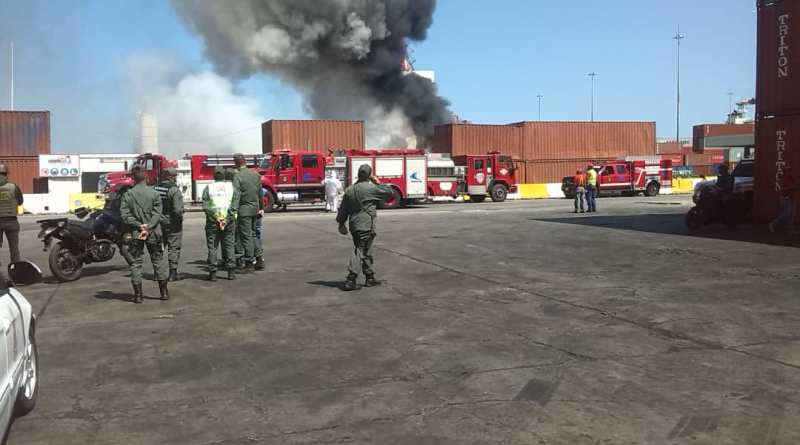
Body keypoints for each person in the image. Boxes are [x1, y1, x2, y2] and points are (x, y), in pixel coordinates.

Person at [336, 164, 394, 291]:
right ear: (369, 175)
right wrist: (378, 182)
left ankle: (369, 277)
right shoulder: (370, 188)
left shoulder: (350, 190)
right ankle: (351, 279)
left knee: (366, 250)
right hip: (366, 225)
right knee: (360, 250)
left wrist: (341, 224)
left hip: (354, 224)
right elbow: (390, 193)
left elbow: (343, 210)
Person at [120, 167, 169, 303]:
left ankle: (138, 296)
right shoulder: (154, 194)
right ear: (146, 178)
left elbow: (125, 215)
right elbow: (158, 213)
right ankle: (164, 293)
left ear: (133, 178)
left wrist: (138, 225)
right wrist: (149, 225)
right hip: (153, 232)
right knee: (158, 260)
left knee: (136, 263)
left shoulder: (128, 195)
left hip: (136, 233)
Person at [203, 167, 239, 281]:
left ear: (214, 176)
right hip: (229, 221)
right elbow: (234, 205)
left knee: (212, 247)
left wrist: (216, 217)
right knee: (229, 245)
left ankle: (213, 273)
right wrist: (227, 218)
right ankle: (231, 272)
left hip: (213, 221)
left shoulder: (208, 188)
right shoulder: (232, 187)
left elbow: (206, 206)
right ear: (224, 176)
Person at [232, 154, 265, 272]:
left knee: (246, 236)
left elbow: (236, 195)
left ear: (236, 163)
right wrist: (261, 207)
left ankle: (249, 262)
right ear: (245, 162)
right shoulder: (255, 174)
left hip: (244, 210)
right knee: (254, 235)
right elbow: (260, 193)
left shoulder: (238, 176)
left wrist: (234, 210)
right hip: (255, 209)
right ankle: (260, 260)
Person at [154, 167, 184, 281]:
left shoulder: (155, 188)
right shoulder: (174, 190)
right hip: (172, 222)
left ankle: (157, 274)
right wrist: (180, 218)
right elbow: (177, 210)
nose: (175, 178)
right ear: (171, 176)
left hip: (158, 222)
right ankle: (172, 274)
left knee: (159, 248)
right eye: (175, 176)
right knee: (174, 247)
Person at [0, 164, 24, 265]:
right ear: (6, 174)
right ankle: (16, 271)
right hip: (12, 221)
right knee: (14, 249)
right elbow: (20, 202)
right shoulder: (13, 186)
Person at [769, 165, 798, 234]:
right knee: (786, 214)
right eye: (788, 170)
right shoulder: (783, 179)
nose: (789, 172)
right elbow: (781, 189)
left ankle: (790, 229)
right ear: (785, 172)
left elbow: (795, 185)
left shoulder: (791, 178)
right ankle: (772, 224)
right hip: (785, 198)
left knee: (792, 214)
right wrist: (792, 187)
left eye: (790, 170)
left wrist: (795, 186)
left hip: (792, 197)